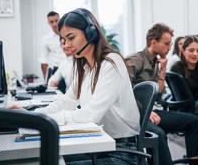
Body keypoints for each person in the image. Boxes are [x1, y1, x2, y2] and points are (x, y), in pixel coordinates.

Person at [11, 8, 140, 140]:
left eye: (71, 38)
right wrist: (31, 115)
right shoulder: (86, 67)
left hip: (120, 144)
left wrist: (44, 120)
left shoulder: (111, 63)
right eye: (64, 40)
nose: (66, 45)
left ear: (91, 33)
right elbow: (67, 101)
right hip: (99, 138)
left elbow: (91, 114)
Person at [125, 23, 198, 165]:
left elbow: (159, 93)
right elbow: (123, 90)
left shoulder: (156, 61)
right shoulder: (135, 60)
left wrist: (162, 72)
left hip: (152, 111)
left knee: (193, 121)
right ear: (154, 42)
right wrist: (144, 111)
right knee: (159, 134)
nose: (169, 48)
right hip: (136, 115)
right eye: (167, 44)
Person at [170, 36, 198, 118]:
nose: (195, 54)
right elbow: (182, 96)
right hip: (181, 105)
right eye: (191, 50)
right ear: (183, 51)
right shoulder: (176, 67)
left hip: (196, 102)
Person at [39, 11, 65, 81]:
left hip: (70, 69)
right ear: (48, 23)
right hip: (56, 71)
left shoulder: (67, 35)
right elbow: (43, 61)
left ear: (60, 20)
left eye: (56, 21)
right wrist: (46, 81)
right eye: (51, 22)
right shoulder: (46, 39)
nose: (54, 24)